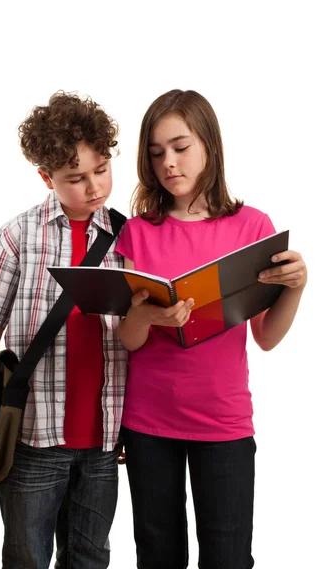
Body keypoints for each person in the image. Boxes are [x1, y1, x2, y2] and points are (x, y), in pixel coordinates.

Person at [116, 89, 307, 569]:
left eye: (181, 147)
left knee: (227, 557)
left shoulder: (252, 226)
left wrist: (296, 290)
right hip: (148, 423)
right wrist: (150, 316)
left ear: (209, 145)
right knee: (158, 556)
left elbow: (265, 337)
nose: (169, 163)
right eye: (157, 153)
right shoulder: (138, 231)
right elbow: (128, 338)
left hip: (223, 422)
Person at [0, 91, 127, 569]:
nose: (93, 187)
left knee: (90, 554)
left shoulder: (128, 237)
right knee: (27, 554)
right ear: (46, 178)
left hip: (103, 442)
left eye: (101, 170)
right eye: (75, 178)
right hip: (32, 436)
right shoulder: (17, 236)